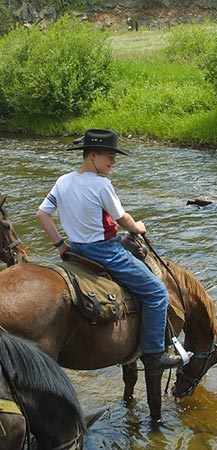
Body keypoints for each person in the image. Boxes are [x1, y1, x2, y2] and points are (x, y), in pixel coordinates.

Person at [37, 128, 182, 374]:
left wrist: (61, 245)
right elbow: (122, 219)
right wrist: (138, 227)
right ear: (93, 155)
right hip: (106, 252)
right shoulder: (102, 185)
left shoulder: (63, 180)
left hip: (77, 251)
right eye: (109, 156)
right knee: (157, 291)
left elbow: (42, 214)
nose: (113, 162)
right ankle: (154, 354)